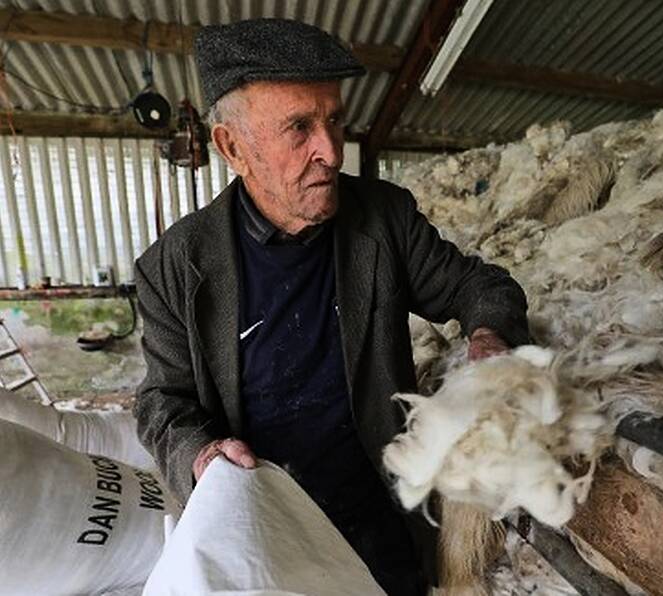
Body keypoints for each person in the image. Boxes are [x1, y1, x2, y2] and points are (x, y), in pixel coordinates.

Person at [134, 17, 529, 596]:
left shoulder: (384, 220)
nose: (330, 150)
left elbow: (480, 286)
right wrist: (201, 455)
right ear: (231, 147)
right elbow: (162, 401)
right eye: (299, 127)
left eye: (335, 120)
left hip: (376, 510)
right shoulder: (174, 266)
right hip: (263, 529)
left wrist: (488, 336)